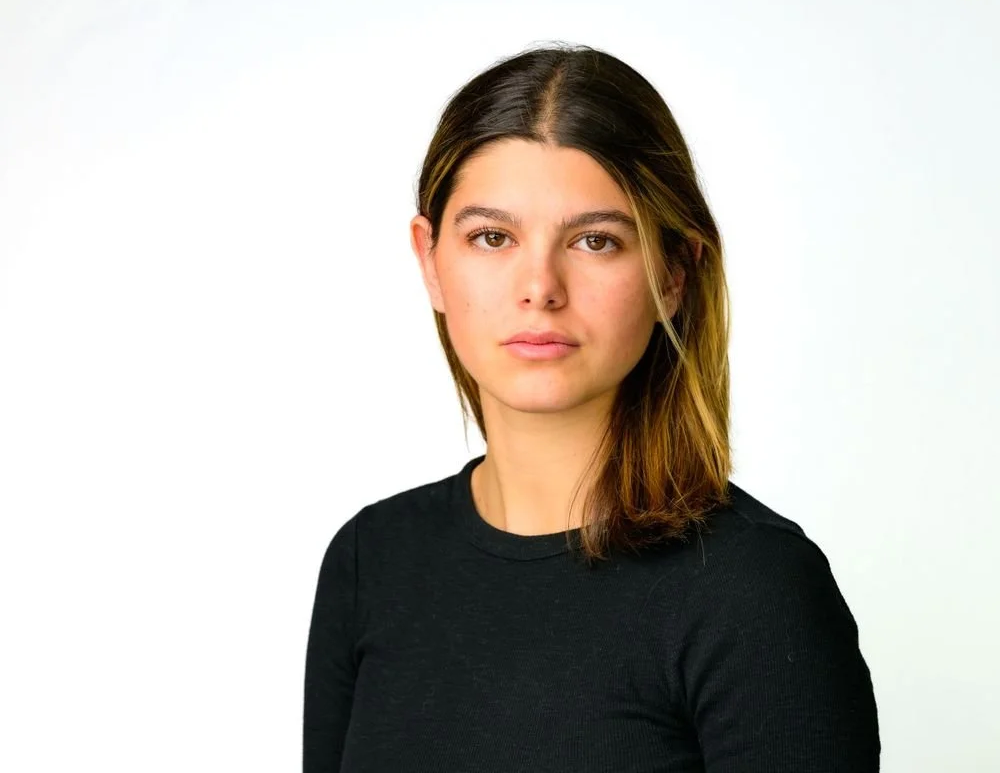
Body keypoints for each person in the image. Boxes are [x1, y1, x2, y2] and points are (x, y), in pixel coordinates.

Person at [303, 41, 880, 772]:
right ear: (430, 260)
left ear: (674, 273)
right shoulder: (372, 561)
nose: (540, 287)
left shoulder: (755, 590)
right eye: (492, 237)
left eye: (596, 241)